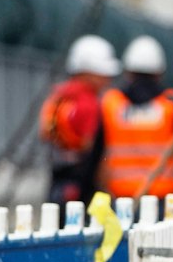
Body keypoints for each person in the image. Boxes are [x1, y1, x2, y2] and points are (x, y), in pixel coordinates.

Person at [40, 35, 119, 205]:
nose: (108, 80)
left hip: (59, 181)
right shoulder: (87, 103)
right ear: (88, 72)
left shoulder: (59, 96)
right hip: (83, 187)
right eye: (103, 74)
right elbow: (90, 147)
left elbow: (45, 134)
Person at [100, 35, 173, 199]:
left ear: (128, 72)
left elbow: (97, 152)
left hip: (122, 197)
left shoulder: (111, 103)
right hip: (162, 196)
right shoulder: (171, 104)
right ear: (159, 73)